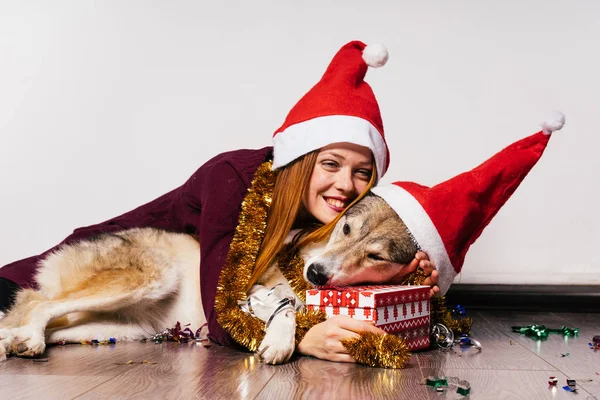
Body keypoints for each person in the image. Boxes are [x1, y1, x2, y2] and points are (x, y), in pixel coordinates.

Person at [0, 41, 439, 363]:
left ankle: (35, 324)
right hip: (102, 259)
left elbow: (340, 280)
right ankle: (37, 313)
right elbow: (221, 309)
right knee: (149, 280)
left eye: (362, 173)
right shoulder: (235, 177)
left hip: (163, 310)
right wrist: (303, 338)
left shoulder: (340, 219)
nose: (346, 184)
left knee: (99, 330)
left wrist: (408, 279)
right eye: (330, 163)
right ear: (301, 158)